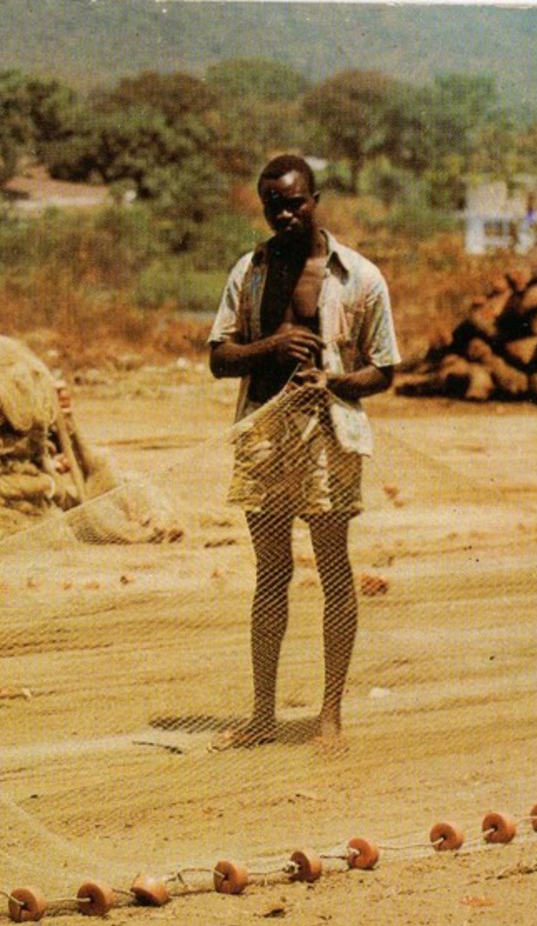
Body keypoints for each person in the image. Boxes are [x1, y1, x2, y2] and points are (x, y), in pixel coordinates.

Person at [206, 154, 399, 749]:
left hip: (327, 435)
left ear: (316, 199)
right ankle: (263, 715)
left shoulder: (359, 277)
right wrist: (274, 344)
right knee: (272, 574)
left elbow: (384, 370)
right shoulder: (250, 270)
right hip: (263, 433)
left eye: (295, 202)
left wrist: (335, 383)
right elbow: (218, 357)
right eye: (273, 204)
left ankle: (329, 715)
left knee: (334, 570)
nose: (284, 214)